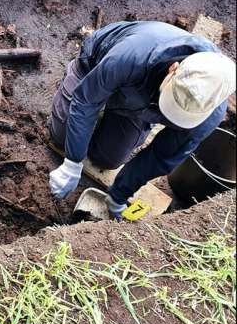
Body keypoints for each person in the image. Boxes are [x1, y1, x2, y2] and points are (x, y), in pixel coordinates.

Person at [47, 20, 235, 218]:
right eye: (173, 103)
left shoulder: (208, 115)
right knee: (62, 137)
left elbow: (161, 156)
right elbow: (86, 100)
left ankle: (107, 119)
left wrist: (119, 196)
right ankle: (82, 103)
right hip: (95, 67)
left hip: (137, 106)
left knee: (107, 159)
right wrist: (72, 162)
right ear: (173, 69)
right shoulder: (131, 56)